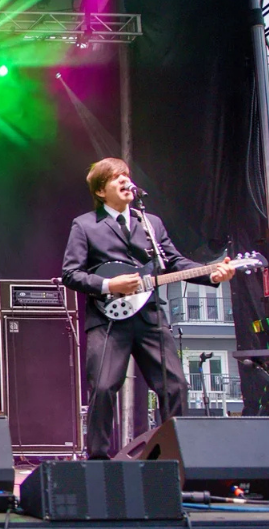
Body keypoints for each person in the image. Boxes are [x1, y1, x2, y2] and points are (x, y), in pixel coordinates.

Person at [61, 158, 234, 459]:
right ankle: (99, 461)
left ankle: (170, 460)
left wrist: (211, 272)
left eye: (127, 175)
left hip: (150, 315)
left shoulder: (150, 223)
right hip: (108, 320)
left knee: (176, 386)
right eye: (117, 177)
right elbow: (71, 274)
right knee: (103, 387)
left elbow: (174, 262)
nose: (126, 181)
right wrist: (109, 285)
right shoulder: (85, 225)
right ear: (101, 190)